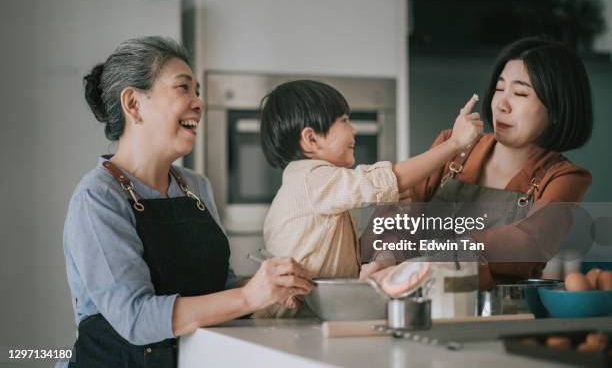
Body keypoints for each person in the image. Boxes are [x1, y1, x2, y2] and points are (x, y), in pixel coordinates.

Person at [62, 36, 313, 368]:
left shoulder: (195, 187)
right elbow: (135, 318)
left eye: (197, 91)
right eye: (183, 88)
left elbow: (218, 287)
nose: (198, 102)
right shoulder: (98, 196)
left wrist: (271, 285)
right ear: (134, 104)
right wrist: (247, 296)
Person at [364, 37, 593, 290]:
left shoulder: (564, 177)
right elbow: (398, 220)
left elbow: (530, 243)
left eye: (520, 93)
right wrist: (387, 258)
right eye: (499, 88)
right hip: (418, 301)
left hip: (496, 316)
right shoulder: (450, 145)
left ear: (557, 110)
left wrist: (430, 264)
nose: (501, 105)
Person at [254, 79, 483, 317]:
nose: (353, 130)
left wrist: (382, 214)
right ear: (311, 139)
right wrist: (455, 143)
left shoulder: (313, 186)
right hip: (286, 324)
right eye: (344, 121)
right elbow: (388, 179)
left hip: (304, 320)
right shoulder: (311, 179)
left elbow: (341, 253)